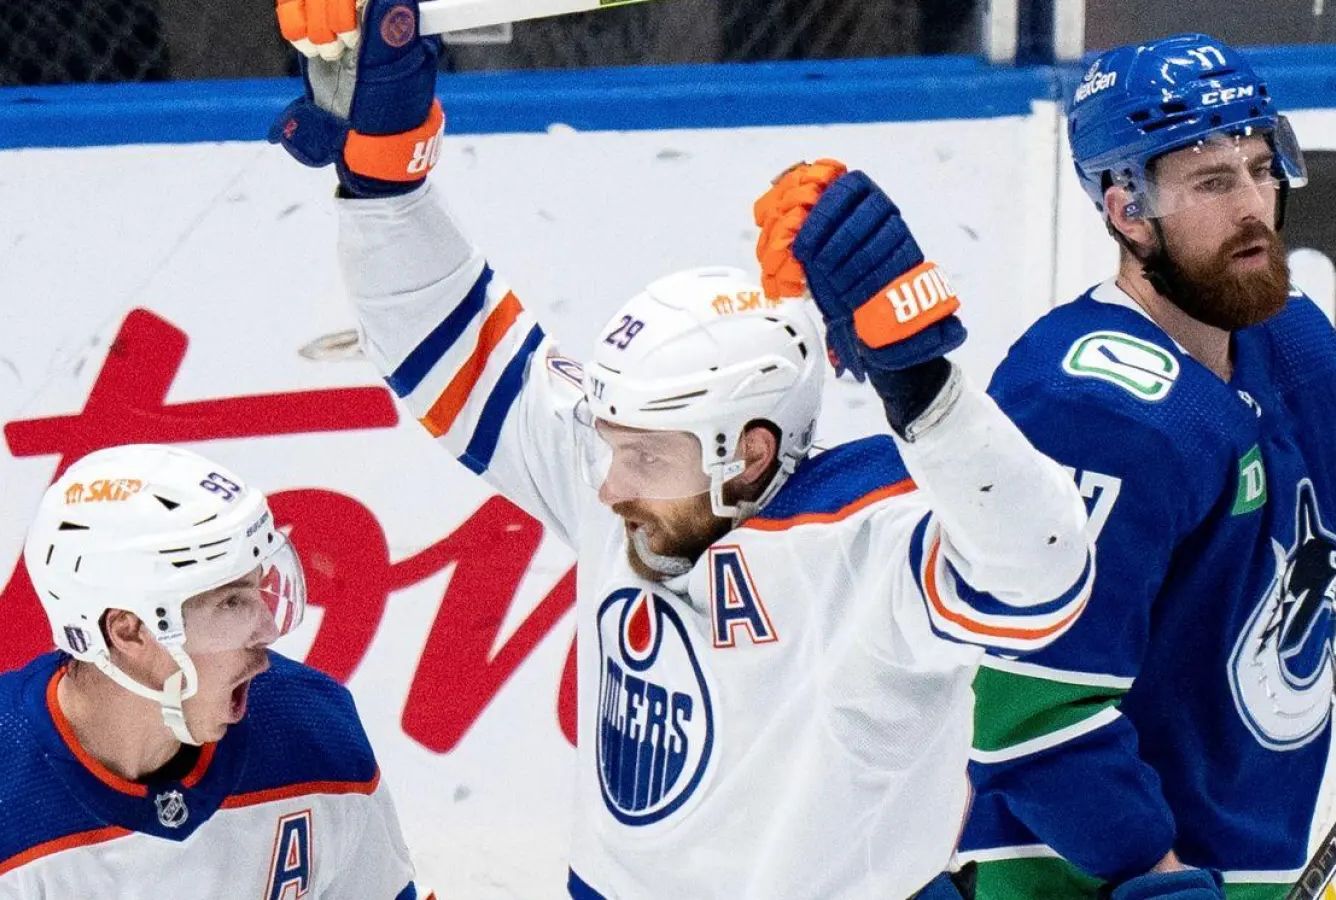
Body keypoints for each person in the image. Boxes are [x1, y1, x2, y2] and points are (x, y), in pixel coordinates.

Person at [266, 2, 1095, 897]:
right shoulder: (622, 465)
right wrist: (389, 174)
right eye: (612, 443)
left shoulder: (874, 536)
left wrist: (921, 381)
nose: (609, 484)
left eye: (645, 459)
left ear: (748, 454)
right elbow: (440, 337)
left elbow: (1043, 576)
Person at [766, 33, 1336, 899]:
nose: (1255, 207)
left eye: (1262, 168)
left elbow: (1319, 498)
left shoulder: (1285, 335)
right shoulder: (1091, 407)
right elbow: (1028, 707)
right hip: (1073, 875)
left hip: (1240, 850)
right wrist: (1151, 876)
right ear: (1125, 207)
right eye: (1212, 181)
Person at [0, 444, 427, 899]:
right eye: (230, 604)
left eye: (260, 593)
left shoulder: (312, 729)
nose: (268, 633)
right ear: (129, 630)